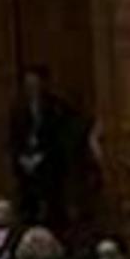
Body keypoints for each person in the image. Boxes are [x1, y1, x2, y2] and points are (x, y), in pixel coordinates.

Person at [8, 66, 82, 227]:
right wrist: (21, 157)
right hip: (25, 163)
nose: (32, 88)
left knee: (53, 204)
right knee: (27, 203)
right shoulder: (18, 108)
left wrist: (42, 156)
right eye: (28, 84)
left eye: (35, 83)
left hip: (50, 163)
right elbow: (13, 137)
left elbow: (63, 137)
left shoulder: (56, 107)